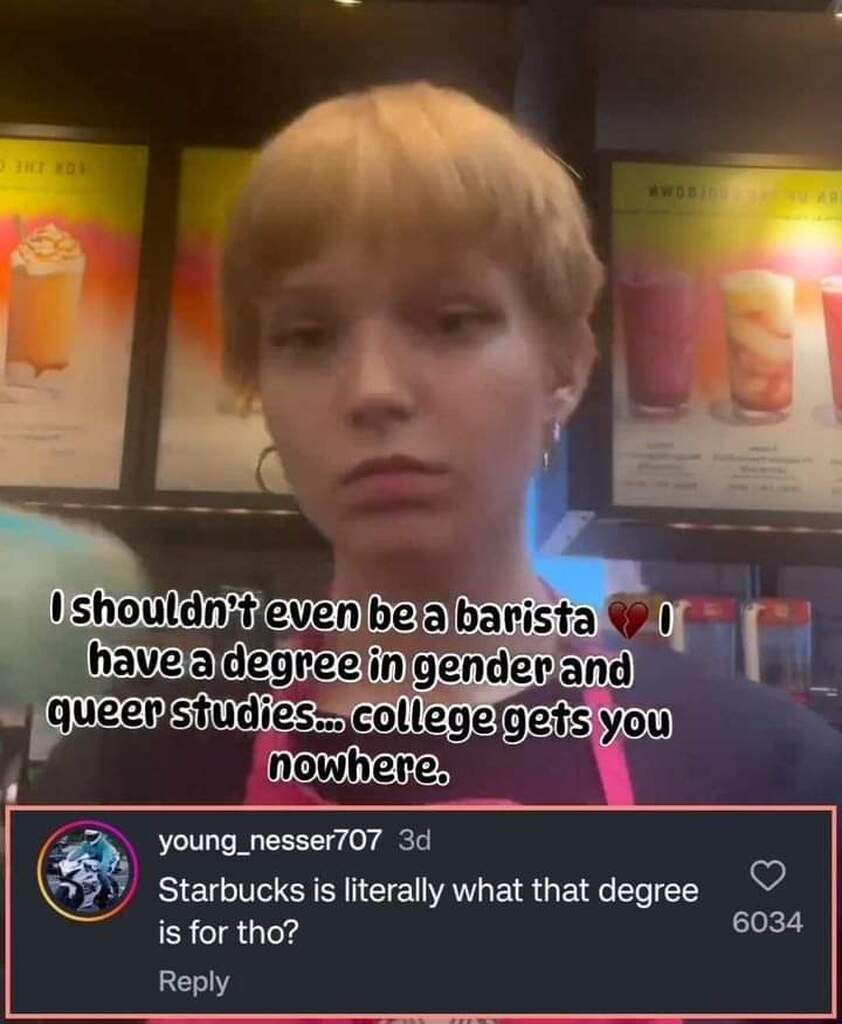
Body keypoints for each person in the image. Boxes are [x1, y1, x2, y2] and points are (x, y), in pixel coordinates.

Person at [28, 82, 842, 1023]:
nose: (372, 390)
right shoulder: (127, 784)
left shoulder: (768, 782)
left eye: (452, 321)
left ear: (566, 368)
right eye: (307, 336)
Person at [70, 828, 120, 909]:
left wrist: (102, 869)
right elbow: (78, 853)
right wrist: (69, 860)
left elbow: (105, 861)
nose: (89, 838)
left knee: (102, 875)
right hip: (96, 858)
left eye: (92, 836)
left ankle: (108, 892)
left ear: (98, 835)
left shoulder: (105, 846)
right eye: (88, 836)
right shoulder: (85, 844)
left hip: (110, 859)